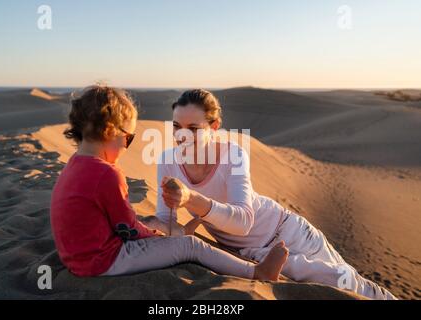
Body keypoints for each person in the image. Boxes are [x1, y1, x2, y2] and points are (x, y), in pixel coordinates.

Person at [156, 89, 397, 300]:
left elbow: (243, 222)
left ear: (215, 127)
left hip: (290, 234)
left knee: (355, 285)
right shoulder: (167, 161)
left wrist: (192, 200)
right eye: (176, 127)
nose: (181, 136)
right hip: (254, 255)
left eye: (193, 129)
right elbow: (165, 221)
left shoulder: (233, 154)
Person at [50, 85, 289, 281]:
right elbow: (128, 229)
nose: (125, 146)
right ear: (111, 131)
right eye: (128, 138)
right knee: (190, 246)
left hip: (75, 259)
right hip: (105, 260)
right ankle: (258, 272)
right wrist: (161, 237)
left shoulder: (73, 165)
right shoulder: (106, 174)